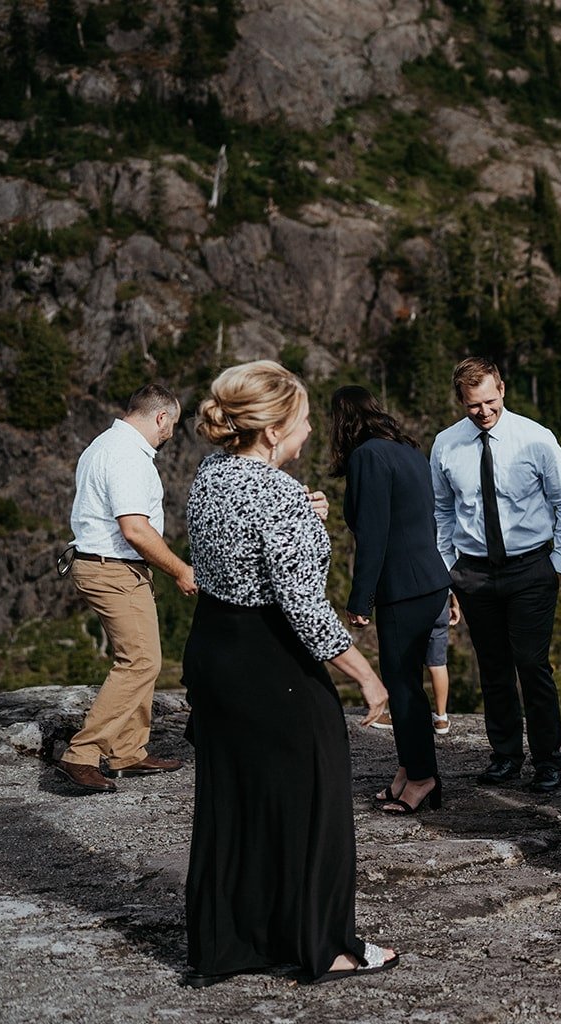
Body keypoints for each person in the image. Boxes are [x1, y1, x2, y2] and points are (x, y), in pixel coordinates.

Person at [182, 360, 397, 986]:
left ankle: (236, 940)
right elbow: (303, 607)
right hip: (270, 661)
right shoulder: (278, 497)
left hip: (215, 652)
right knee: (314, 797)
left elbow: (239, 538)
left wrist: (302, 512)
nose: (308, 434)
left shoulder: (212, 472)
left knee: (238, 802)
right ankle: (323, 946)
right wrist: (366, 675)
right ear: (274, 430)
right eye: (303, 422)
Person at [430, 357, 561, 792]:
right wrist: (447, 570)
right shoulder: (445, 445)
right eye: (474, 405)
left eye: (490, 401)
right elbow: (440, 511)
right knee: (493, 667)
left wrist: (559, 563)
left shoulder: (535, 438)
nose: (484, 411)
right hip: (473, 572)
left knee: (532, 665)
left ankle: (548, 760)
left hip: (531, 566)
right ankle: (505, 756)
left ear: (502, 389)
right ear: (461, 400)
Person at [56, 383, 198, 793]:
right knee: (140, 662)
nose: (169, 435)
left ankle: (128, 750)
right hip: (113, 570)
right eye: (169, 425)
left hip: (109, 568)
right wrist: (179, 570)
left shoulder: (104, 444)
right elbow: (135, 529)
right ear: (160, 417)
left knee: (141, 657)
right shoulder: (127, 456)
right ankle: (81, 753)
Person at [330, 385, 453, 815]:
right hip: (431, 581)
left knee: (402, 687)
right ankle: (408, 771)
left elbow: (374, 533)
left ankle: (421, 778)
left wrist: (360, 598)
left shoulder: (367, 457)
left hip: (403, 587)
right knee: (409, 686)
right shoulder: (406, 450)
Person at [426, 596, 459, 736]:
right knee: (437, 663)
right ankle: (441, 718)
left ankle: (401, 713)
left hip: (406, 601)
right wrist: (455, 604)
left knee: (405, 660)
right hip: (437, 601)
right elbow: (450, 574)